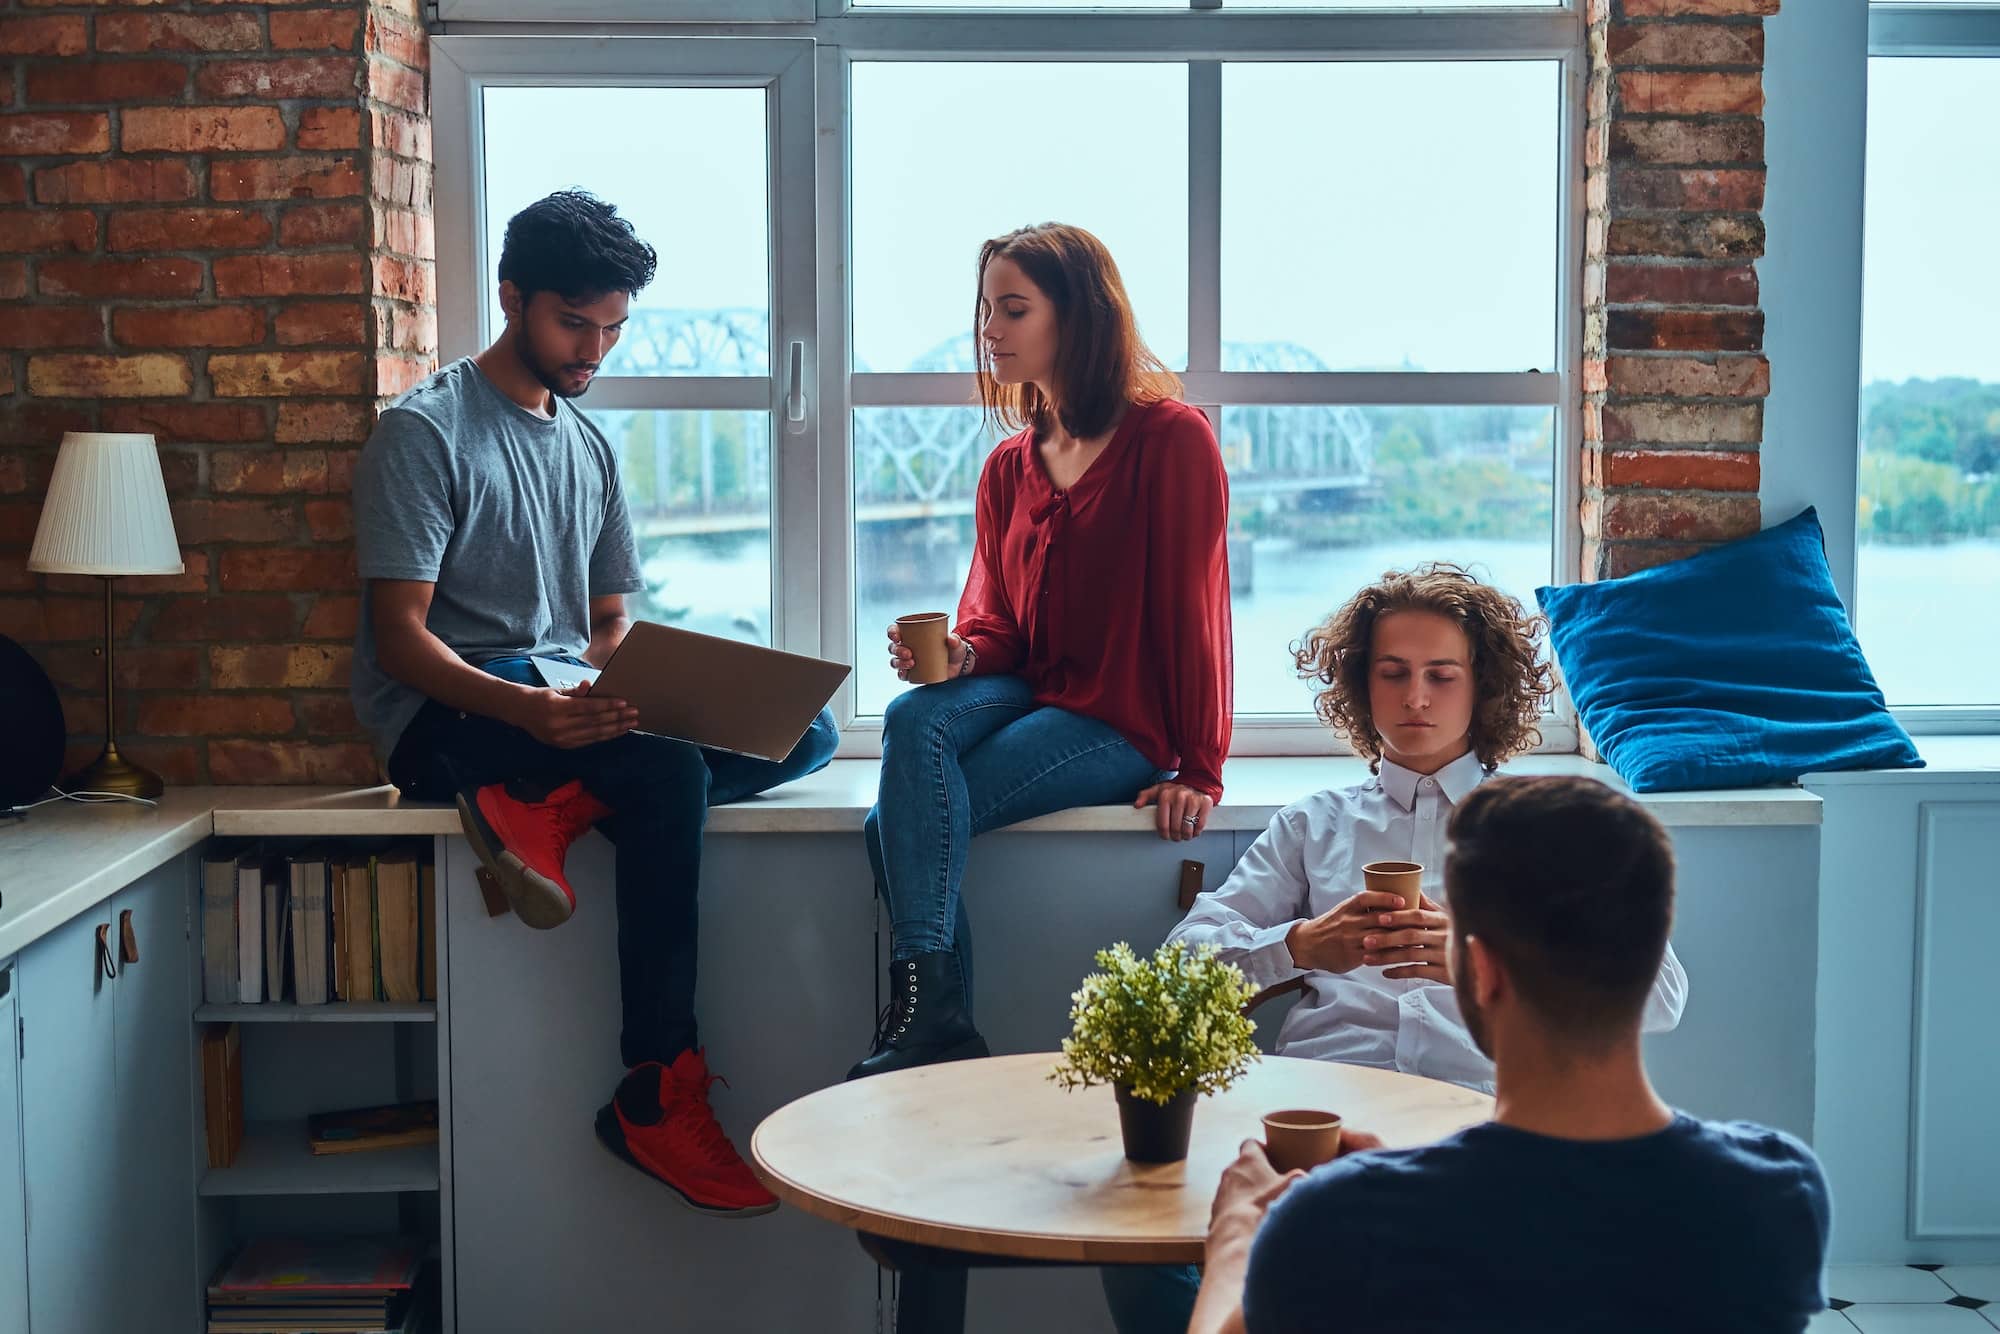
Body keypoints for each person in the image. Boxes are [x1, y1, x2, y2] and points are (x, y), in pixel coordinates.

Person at [351, 190, 837, 1217]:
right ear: (511, 297)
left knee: (808, 729)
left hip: (556, 706)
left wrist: (643, 683)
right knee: (666, 772)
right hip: (451, 721)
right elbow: (400, 638)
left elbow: (608, 624)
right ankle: (654, 1087)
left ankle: (553, 808)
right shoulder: (424, 432)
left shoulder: (588, 446)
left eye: (613, 328)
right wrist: (530, 711)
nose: (595, 350)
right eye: (575, 324)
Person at [1104, 565, 1690, 1330]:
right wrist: (1300, 945)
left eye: (1441, 676)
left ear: (1483, 687)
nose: (1416, 698)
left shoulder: (1541, 824)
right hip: (1317, 1114)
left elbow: (1662, 998)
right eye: (1393, 673)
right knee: (1137, 1240)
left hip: (1476, 1113)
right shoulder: (1314, 822)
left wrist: (1492, 957)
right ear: (1361, 684)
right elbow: (1179, 971)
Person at [1189, 775, 1830, 1334]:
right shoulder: (1778, 1192)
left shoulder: (1335, 1219)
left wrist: (1235, 1237)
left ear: (1483, 971)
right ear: (1647, 958)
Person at [849, 222, 1234, 1080]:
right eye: (985, 309)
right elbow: (1001, 630)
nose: (989, 331)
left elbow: (1197, 613)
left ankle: (931, 1025)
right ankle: (936, 1019)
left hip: (1121, 721)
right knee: (914, 716)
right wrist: (959, 655)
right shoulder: (1007, 467)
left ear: (1079, 314)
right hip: (1033, 691)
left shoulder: (1171, 440)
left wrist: (1201, 769)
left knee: (893, 827)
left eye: (1013, 309)